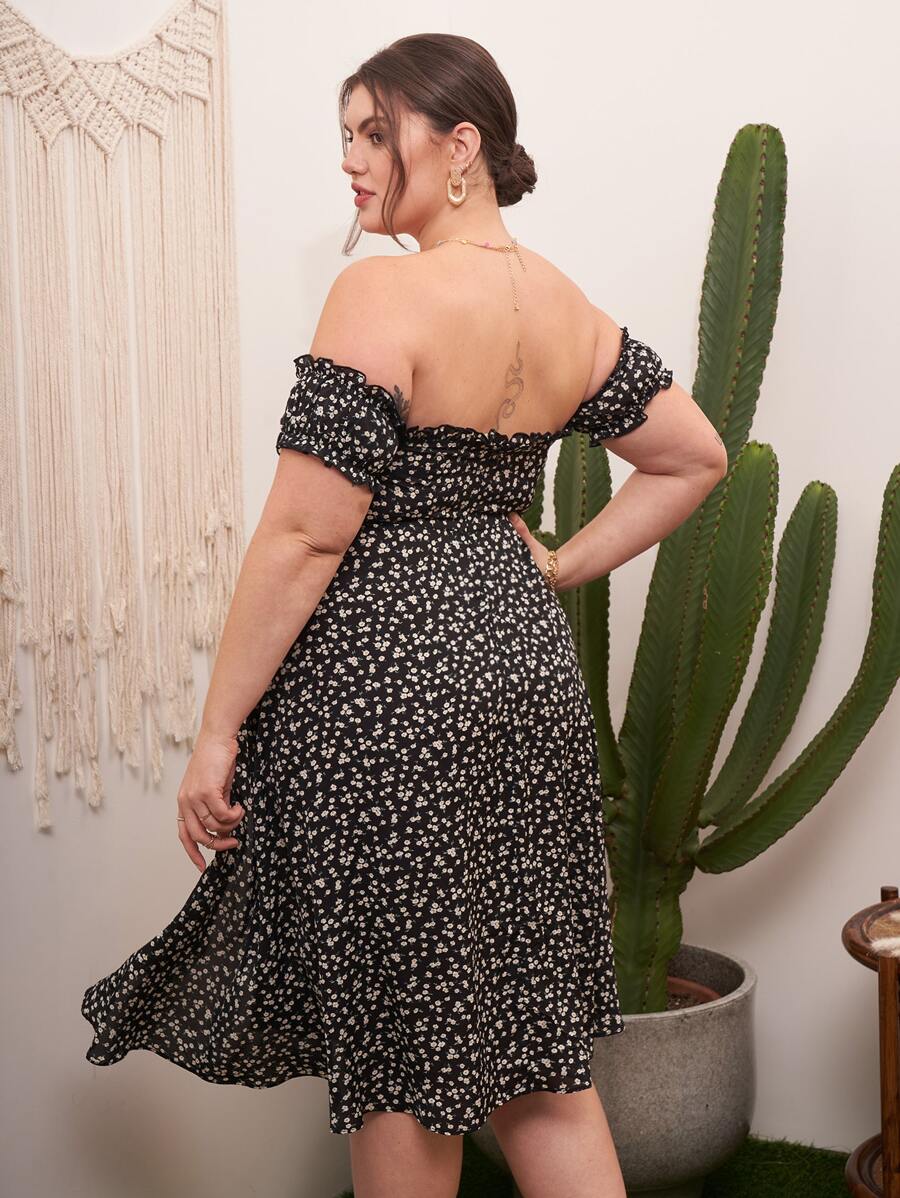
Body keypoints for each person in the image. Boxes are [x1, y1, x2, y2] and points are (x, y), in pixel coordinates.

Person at [81, 32, 727, 1198]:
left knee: (398, 1060)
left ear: (461, 144)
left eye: (376, 133)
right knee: (539, 1057)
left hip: (393, 697)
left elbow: (304, 535)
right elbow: (695, 455)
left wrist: (217, 731)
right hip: (524, 680)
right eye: (345, 136)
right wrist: (560, 566)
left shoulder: (380, 293)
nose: (351, 159)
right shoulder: (567, 307)